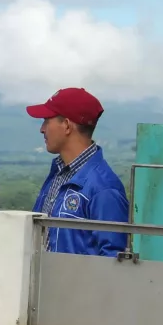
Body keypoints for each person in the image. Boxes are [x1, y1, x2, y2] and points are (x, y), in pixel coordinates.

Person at [28, 87, 129, 257]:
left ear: (67, 125)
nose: (42, 129)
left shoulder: (104, 189)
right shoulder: (58, 175)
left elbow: (112, 261)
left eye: (46, 120)